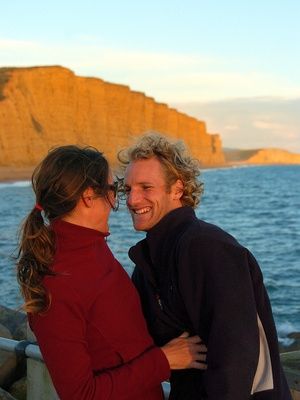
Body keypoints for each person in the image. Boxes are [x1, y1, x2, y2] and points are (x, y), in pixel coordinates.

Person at [16, 145, 207, 400]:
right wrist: (164, 360)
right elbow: (80, 394)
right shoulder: (58, 281)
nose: (122, 200)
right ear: (87, 196)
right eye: (114, 189)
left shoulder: (92, 248)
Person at [118, 133, 292, 400]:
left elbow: (237, 356)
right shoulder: (148, 260)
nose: (132, 200)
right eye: (128, 189)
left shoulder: (208, 248)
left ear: (177, 189)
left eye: (146, 187)